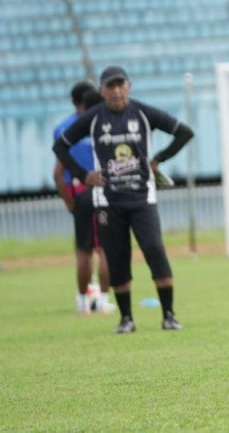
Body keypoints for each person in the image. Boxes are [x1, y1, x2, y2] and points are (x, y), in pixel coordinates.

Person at [52, 66, 194, 334]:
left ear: (129, 86)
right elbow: (60, 146)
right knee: (116, 257)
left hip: (142, 198)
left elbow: (184, 132)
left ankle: (169, 315)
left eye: (121, 85)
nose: (116, 91)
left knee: (154, 250)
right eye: (110, 86)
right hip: (107, 200)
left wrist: (158, 160)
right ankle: (126, 319)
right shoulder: (94, 118)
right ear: (103, 90)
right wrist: (84, 175)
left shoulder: (143, 112)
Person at [52, 82, 113, 315]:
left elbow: (58, 172)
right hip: (105, 191)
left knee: (83, 252)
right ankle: (105, 299)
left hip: (79, 191)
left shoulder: (64, 130)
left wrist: (70, 202)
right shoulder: (107, 128)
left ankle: (82, 302)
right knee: (105, 249)